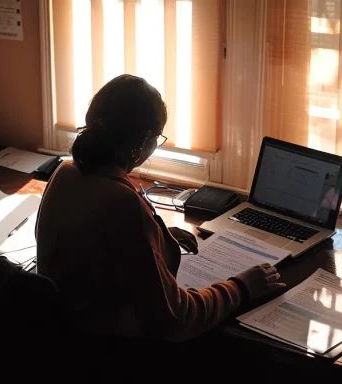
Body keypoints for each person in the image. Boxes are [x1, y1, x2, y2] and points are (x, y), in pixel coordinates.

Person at [35, 74, 284, 341]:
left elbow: (95, 241)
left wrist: (156, 234)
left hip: (65, 343)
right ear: (142, 142)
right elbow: (178, 319)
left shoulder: (65, 173)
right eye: (158, 137)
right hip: (111, 357)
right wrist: (241, 287)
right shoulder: (123, 204)